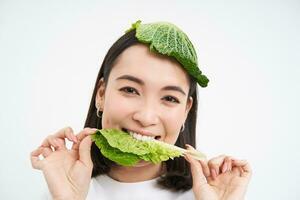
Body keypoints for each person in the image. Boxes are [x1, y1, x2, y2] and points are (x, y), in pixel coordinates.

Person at [30, 21, 252, 200]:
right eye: (130, 90)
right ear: (101, 94)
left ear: (186, 111)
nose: (146, 117)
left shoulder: (209, 196)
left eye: (169, 98)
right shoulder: (63, 190)